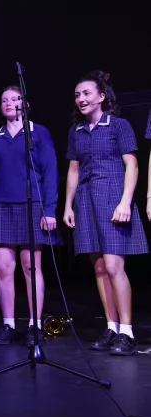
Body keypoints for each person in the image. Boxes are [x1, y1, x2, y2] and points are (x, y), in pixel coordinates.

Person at [64, 71, 147, 356]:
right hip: (86, 202)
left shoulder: (118, 126)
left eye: (86, 93)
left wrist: (125, 202)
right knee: (99, 268)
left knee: (113, 267)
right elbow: (73, 170)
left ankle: (127, 332)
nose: (81, 99)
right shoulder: (76, 132)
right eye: (77, 95)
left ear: (101, 97)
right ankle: (111, 327)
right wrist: (68, 206)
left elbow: (132, 165)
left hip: (112, 198)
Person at [0, 85, 59, 346]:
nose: (9, 103)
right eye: (4, 100)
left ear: (26, 104)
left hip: (33, 204)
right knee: (3, 267)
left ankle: (35, 324)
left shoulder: (38, 133)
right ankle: (8, 324)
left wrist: (50, 209)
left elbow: (51, 172)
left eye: (15, 99)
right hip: (2, 206)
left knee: (30, 266)